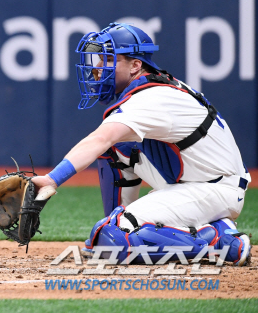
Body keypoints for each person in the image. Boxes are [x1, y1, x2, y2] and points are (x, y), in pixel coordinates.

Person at [31, 23, 251, 265]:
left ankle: (220, 242)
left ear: (136, 65)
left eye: (107, 59)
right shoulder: (150, 88)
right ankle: (124, 223)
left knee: (115, 240)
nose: (97, 68)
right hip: (196, 180)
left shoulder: (150, 98)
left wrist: (52, 179)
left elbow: (99, 138)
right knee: (116, 150)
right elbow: (107, 143)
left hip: (213, 189)